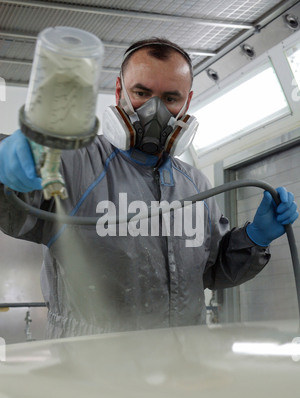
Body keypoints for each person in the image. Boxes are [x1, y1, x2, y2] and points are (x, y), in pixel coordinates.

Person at [0, 38, 298, 338]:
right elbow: (13, 209)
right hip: (91, 369)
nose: (155, 111)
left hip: (180, 365)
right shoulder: (71, 166)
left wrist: (253, 239)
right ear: (119, 92)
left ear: (187, 102)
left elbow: (210, 272)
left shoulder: (196, 186)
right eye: (141, 93)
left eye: (171, 98)